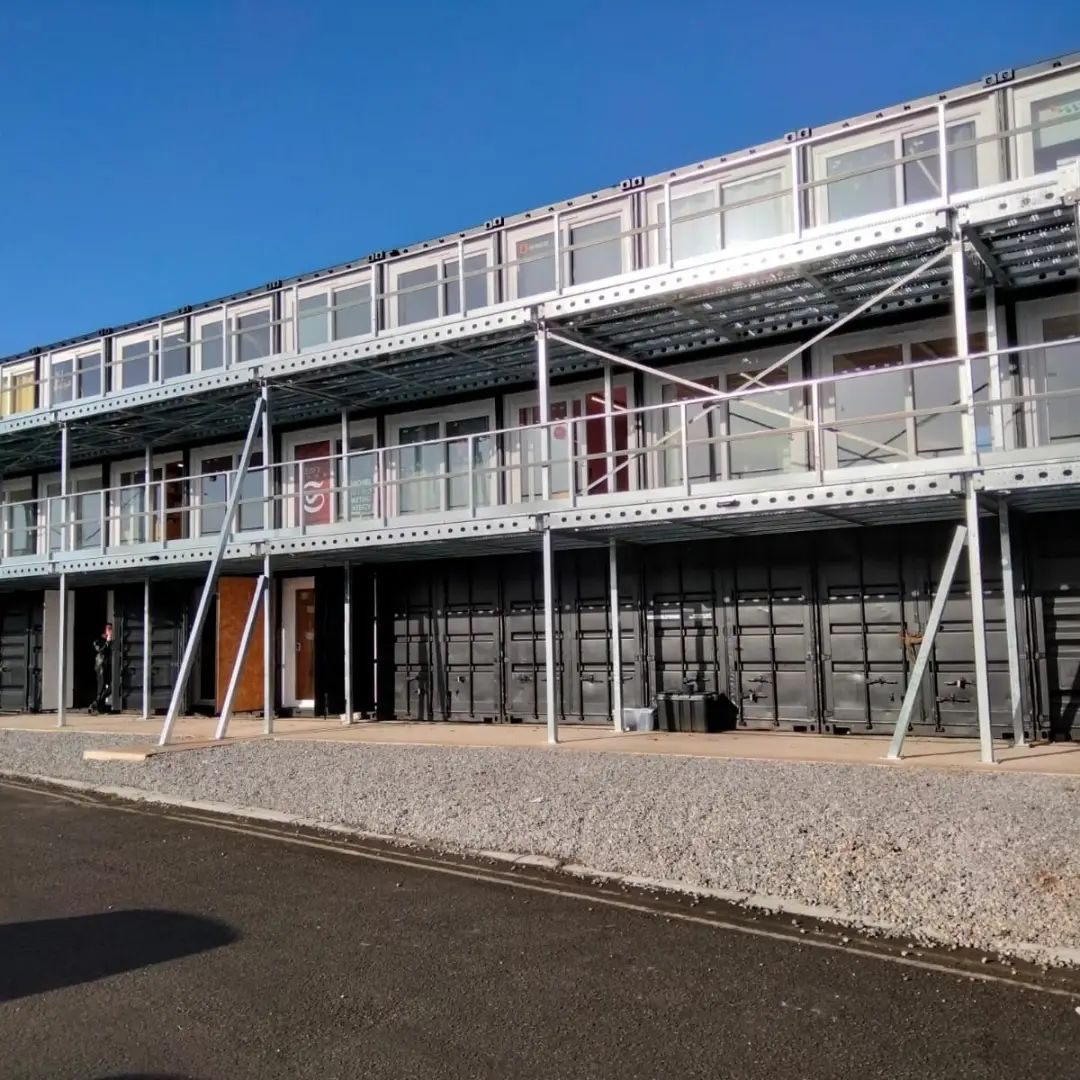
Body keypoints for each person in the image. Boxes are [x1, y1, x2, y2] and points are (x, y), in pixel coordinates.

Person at [90, 622, 113, 714]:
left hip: (108, 665)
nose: (110, 630)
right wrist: (107, 641)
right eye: (108, 628)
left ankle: (96, 704)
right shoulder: (99, 639)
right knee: (101, 686)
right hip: (101, 665)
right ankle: (98, 706)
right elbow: (99, 650)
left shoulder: (112, 639)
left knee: (112, 686)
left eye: (111, 628)